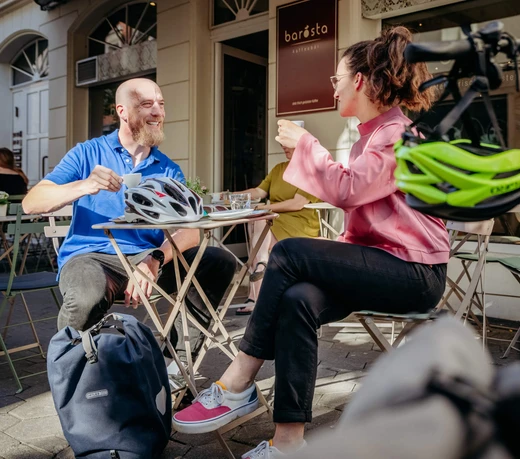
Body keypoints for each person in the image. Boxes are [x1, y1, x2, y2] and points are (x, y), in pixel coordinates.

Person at [172, 26, 450, 459]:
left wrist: (307, 145)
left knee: (287, 251)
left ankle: (238, 380)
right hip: (382, 264)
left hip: (415, 274)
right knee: (298, 298)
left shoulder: (398, 134)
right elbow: (364, 219)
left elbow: (349, 190)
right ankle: (288, 444)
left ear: (359, 81)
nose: (333, 87)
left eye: (337, 79)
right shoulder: (371, 135)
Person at [22, 78, 236, 376]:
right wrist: (84, 185)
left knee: (218, 262)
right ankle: (73, 381)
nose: (158, 112)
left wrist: (155, 259)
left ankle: (175, 367)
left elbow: (189, 231)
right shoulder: (87, 153)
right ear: (122, 111)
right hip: (92, 256)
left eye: (161, 104)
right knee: (86, 296)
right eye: (147, 104)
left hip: (146, 260)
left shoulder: (168, 168)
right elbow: (32, 203)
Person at [233, 137, 321, 315]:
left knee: (259, 223)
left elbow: (297, 204)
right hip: (274, 219)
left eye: (287, 144)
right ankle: (261, 266)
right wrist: (233, 196)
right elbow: (259, 192)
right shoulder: (279, 169)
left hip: (299, 222)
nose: (283, 147)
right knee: (257, 221)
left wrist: (264, 207)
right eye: (282, 144)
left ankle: (255, 294)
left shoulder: (311, 171)